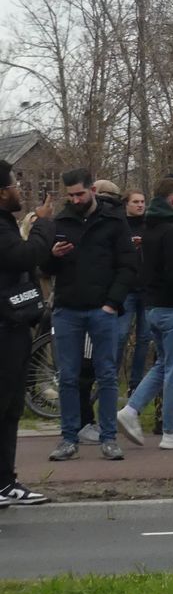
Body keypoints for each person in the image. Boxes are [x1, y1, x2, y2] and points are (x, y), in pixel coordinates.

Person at [41, 169, 138, 462]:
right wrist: (52, 256)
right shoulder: (60, 222)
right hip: (68, 309)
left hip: (102, 309)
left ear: (92, 190)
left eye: (80, 194)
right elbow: (44, 269)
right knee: (68, 377)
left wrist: (112, 302)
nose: (75, 199)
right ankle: (69, 437)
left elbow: (128, 265)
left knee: (106, 374)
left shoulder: (113, 222)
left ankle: (108, 438)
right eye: (70, 195)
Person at [116, 178, 173, 450]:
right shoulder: (171, 233)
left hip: (154, 306)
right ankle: (171, 430)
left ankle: (131, 410)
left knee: (163, 365)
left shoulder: (151, 228)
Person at [0, 161, 55, 505]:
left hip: (13, 329)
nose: (19, 189)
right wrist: (43, 224)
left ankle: (6, 482)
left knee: (10, 410)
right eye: (14, 184)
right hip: (4, 331)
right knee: (3, 407)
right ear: (2, 193)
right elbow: (22, 256)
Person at [116, 188, 149, 393]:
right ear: (126, 204)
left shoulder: (150, 225)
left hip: (146, 288)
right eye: (135, 202)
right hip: (127, 288)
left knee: (145, 338)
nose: (140, 205)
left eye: (143, 201)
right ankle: (110, 379)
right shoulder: (120, 226)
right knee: (120, 335)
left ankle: (135, 384)